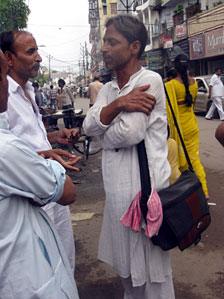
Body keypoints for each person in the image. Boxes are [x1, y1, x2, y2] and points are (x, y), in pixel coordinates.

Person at [83, 15, 175, 299]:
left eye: (112, 42)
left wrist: (102, 129)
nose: (104, 48)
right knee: (128, 278)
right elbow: (87, 126)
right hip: (117, 197)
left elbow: (128, 134)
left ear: (134, 47)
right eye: (104, 42)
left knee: (154, 279)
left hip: (144, 197)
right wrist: (119, 104)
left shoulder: (149, 80)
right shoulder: (110, 89)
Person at [0, 49, 79, 299]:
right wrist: (42, 162)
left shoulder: (29, 91)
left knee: (59, 251)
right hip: (33, 187)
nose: (38, 57)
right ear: (10, 60)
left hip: (34, 179)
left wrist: (49, 144)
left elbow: (29, 141)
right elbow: (67, 191)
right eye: (30, 51)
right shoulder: (6, 143)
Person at [165, 54, 209, 198]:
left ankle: (203, 190)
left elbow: (167, 110)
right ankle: (195, 190)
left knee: (188, 160)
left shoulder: (171, 85)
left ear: (175, 67)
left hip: (181, 127)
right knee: (193, 157)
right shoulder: (194, 83)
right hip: (192, 124)